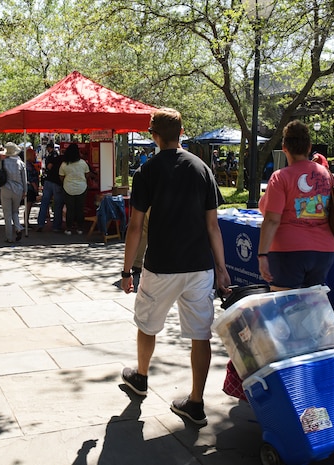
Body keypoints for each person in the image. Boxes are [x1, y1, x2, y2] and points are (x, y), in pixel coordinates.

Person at [120, 107, 231, 427]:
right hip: (199, 266)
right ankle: (196, 402)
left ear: (153, 135)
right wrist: (221, 268)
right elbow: (213, 225)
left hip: (161, 265)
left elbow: (136, 226)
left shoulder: (147, 171)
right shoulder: (202, 169)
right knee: (200, 334)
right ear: (181, 133)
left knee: (147, 323)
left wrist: (127, 270)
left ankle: (140, 377)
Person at [258, 120, 334, 291]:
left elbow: (271, 219)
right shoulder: (326, 174)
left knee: (285, 309)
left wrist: (262, 255)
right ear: (309, 147)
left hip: (288, 250)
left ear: (284, 146)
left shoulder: (280, 177)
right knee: (311, 309)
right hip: (324, 251)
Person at [59, 143, 91, 235]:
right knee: (80, 209)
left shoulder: (64, 164)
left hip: (68, 188)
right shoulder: (83, 163)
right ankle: (80, 228)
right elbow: (87, 175)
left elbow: (61, 177)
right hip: (81, 188)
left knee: (70, 209)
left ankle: (69, 228)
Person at [0, 142, 27, 243]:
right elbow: (24, 179)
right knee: (15, 211)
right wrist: (25, 191)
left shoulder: (3, 162)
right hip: (18, 190)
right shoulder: (21, 163)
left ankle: (9, 237)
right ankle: (18, 227)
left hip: (5, 189)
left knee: (7, 214)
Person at [36, 142, 65, 232]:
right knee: (57, 204)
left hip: (48, 181)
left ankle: (40, 223)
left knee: (44, 202)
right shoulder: (60, 158)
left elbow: (48, 166)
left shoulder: (50, 156)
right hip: (57, 182)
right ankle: (56, 226)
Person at [25, 147, 40, 226]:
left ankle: (26, 220)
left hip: (30, 187)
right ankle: (26, 221)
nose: (35, 156)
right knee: (29, 204)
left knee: (29, 204)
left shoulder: (29, 164)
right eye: (34, 155)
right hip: (30, 187)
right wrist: (35, 189)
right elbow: (31, 179)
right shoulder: (29, 166)